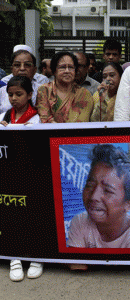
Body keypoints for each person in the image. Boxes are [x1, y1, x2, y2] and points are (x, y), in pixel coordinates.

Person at [67, 144, 130, 270]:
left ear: (129, 204)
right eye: (90, 185)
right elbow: (76, 266)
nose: (93, 197)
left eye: (107, 190)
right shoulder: (80, 221)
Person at [0, 76, 42, 281]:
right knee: (12, 215)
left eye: (19, 94)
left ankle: (37, 256)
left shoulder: (38, 118)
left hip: (32, 176)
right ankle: (14, 257)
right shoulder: (3, 116)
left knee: (33, 214)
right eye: (10, 95)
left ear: (30, 95)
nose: (14, 99)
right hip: (9, 176)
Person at [36, 51, 93, 123]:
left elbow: (82, 122)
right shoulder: (44, 90)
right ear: (54, 71)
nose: (67, 71)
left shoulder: (84, 94)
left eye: (71, 67)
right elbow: (45, 118)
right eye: (62, 67)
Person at [0, 49, 39, 114]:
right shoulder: (1, 92)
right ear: (12, 69)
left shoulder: (43, 90)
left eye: (27, 65)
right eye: (17, 65)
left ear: (34, 70)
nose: (22, 68)